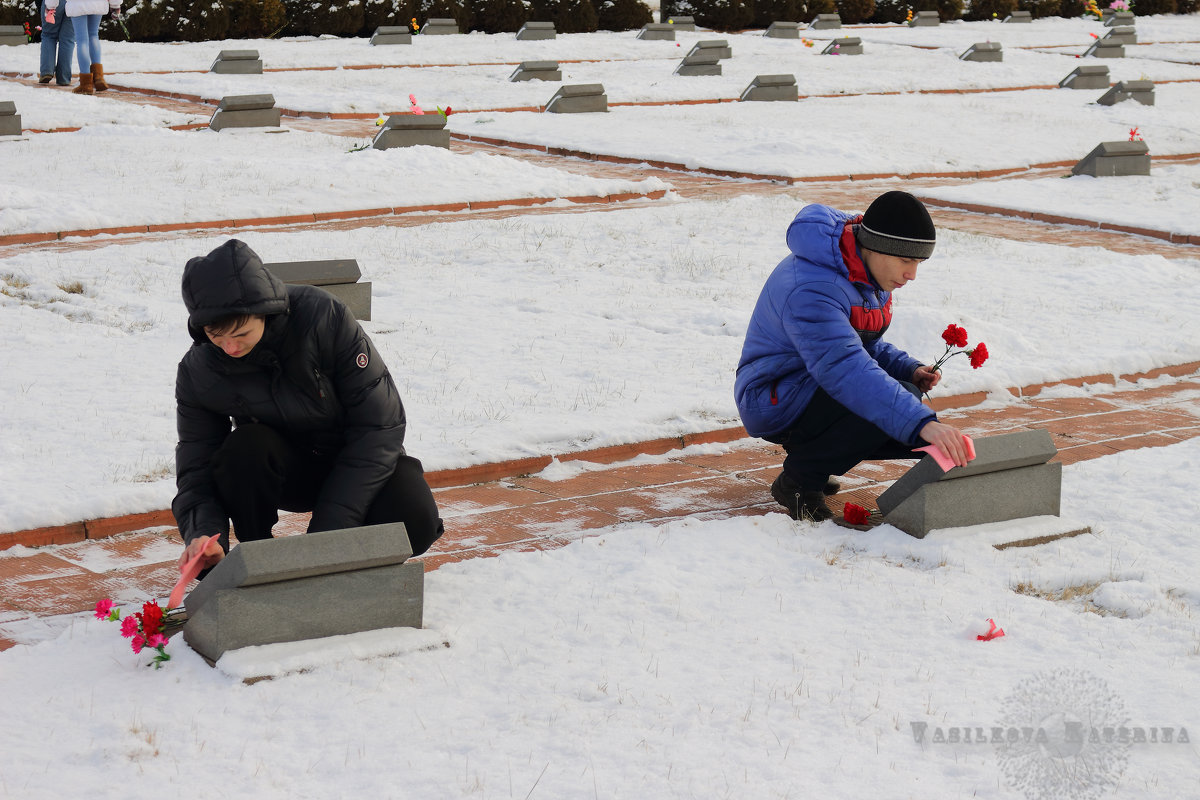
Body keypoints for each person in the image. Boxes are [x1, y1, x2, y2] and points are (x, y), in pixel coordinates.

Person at [173, 239, 444, 574]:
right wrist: (202, 536)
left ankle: (344, 563)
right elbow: (196, 466)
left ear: (264, 311)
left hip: (356, 459)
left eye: (241, 333)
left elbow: (380, 425)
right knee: (243, 448)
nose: (229, 346)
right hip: (284, 471)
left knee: (413, 524)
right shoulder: (199, 370)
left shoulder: (322, 318)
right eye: (216, 336)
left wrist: (324, 540)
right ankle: (257, 559)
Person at [734, 190, 970, 522]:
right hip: (775, 396)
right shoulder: (813, 287)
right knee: (901, 414)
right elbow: (846, 369)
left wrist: (908, 367)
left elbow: (861, 346)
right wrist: (922, 423)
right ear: (877, 247)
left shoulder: (862, 272)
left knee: (907, 399)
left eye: (918, 262)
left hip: (812, 385)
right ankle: (799, 480)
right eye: (906, 260)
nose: (912, 274)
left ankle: (817, 458)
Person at [43, 0, 120, 95]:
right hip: (98, 3)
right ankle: (98, 77)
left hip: (77, 4)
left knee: (82, 40)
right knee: (94, 36)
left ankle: (86, 83)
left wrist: (51, 6)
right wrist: (115, 4)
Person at [37, 0, 75, 86]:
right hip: (73, 3)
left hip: (53, 3)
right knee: (68, 40)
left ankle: (47, 71)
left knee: (48, 35)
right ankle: (64, 78)